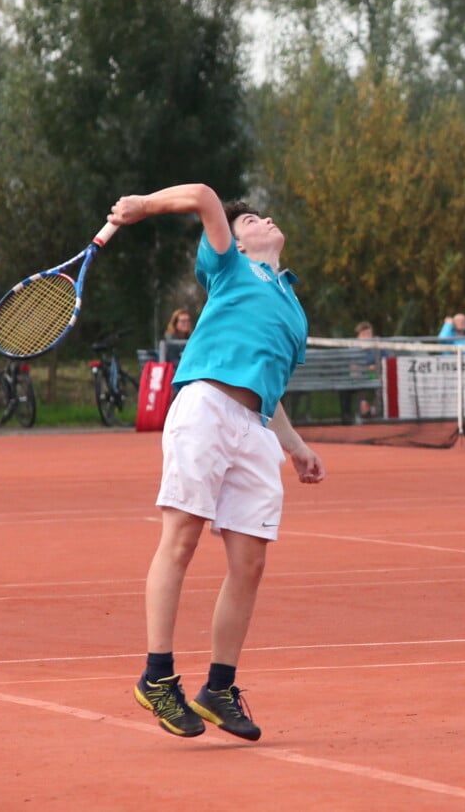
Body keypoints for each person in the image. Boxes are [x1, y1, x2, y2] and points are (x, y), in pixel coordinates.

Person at [108, 184, 326, 743]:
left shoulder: (294, 307)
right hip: (204, 406)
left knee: (250, 563)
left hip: (254, 430)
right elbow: (205, 196)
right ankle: (156, 677)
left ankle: (219, 689)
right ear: (237, 238)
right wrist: (143, 206)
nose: (264, 218)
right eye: (251, 217)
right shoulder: (229, 266)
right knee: (180, 540)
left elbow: (269, 391)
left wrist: (296, 446)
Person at [353, 322, 379, 419]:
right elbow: (353, 365)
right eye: (364, 334)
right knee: (357, 375)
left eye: (369, 334)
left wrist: (376, 367)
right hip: (361, 374)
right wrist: (365, 368)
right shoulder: (354, 346)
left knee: (382, 379)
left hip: (374, 374)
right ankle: (363, 405)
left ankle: (373, 409)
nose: (367, 336)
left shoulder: (376, 344)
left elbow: (385, 359)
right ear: (359, 335)